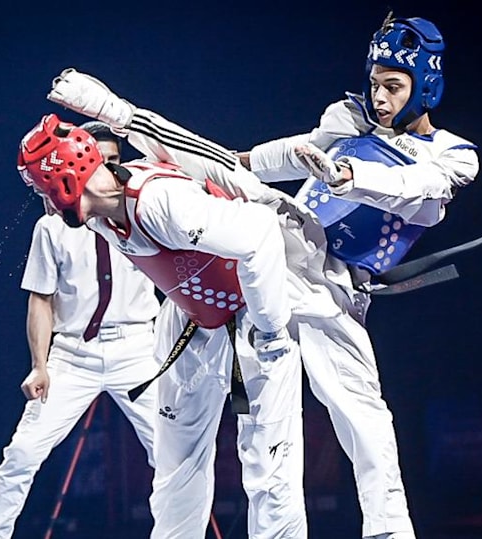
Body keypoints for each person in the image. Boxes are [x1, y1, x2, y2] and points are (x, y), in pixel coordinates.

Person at [17, 68, 310, 539]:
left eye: (42, 188)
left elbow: (259, 236)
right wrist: (112, 116)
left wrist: (273, 333)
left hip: (253, 314)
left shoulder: (159, 202)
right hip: (191, 321)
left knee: (268, 468)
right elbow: (178, 147)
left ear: (69, 177)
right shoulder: (97, 214)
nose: (44, 203)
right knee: (175, 467)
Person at [234, 13, 482, 539]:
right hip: (276, 255)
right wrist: (232, 163)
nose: (380, 97)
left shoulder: (453, 156)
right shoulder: (348, 119)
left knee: (364, 416)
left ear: (426, 87)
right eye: (375, 83)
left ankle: (389, 532)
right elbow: (295, 151)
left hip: (337, 288)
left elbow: (415, 188)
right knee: (263, 420)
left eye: (393, 86)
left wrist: (350, 176)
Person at [0, 121, 163, 538]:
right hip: (73, 356)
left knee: (172, 456)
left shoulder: (144, 210)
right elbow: (40, 298)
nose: (108, 171)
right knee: (21, 453)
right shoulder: (52, 227)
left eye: (115, 161)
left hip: (137, 348)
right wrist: (38, 366)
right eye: (99, 161)